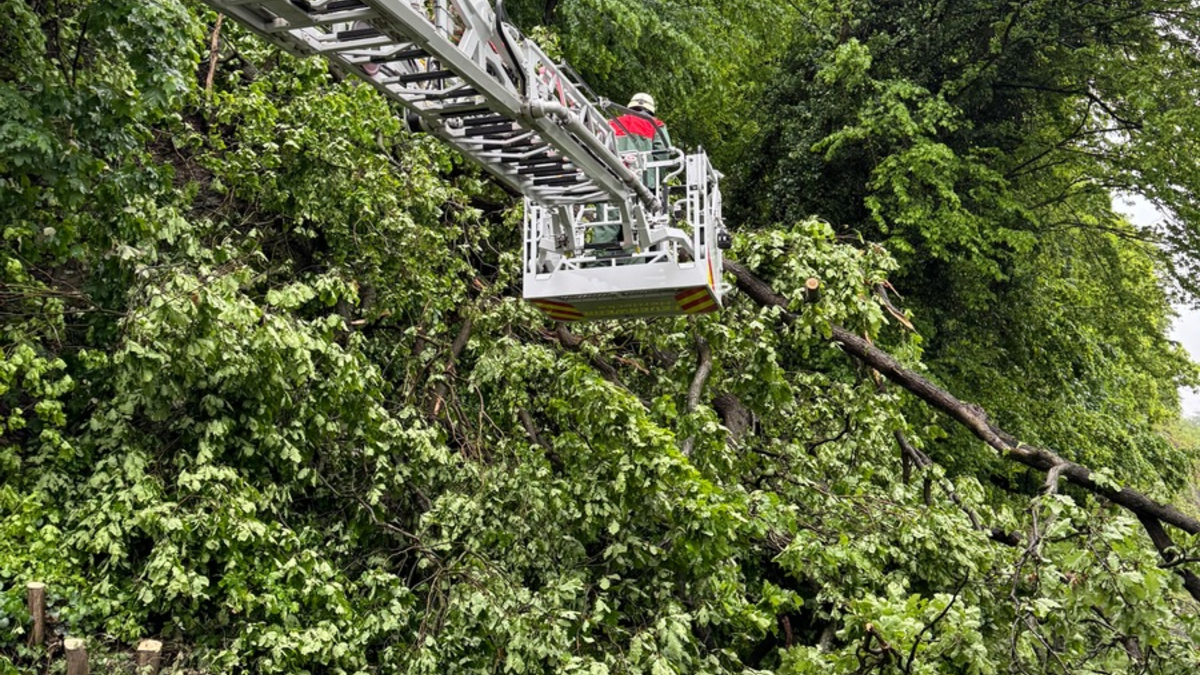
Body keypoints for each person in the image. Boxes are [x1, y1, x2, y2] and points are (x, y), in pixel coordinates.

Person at [593, 93, 672, 249]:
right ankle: (634, 263)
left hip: (610, 184)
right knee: (636, 230)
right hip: (642, 187)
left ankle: (598, 264)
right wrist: (659, 183)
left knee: (606, 229)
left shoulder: (610, 124)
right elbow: (662, 156)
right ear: (651, 110)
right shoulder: (656, 125)